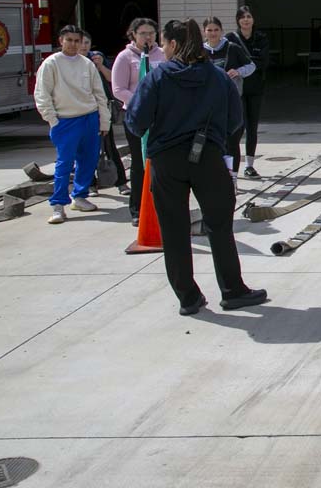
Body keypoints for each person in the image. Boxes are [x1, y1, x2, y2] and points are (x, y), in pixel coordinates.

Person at [126, 18, 267, 316]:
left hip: (166, 162)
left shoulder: (157, 77)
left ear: (174, 44)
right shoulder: (218, 78)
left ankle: (188, 298)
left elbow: (136, 122)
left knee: (174, 230)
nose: (162, 49)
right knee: (219, 226)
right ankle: (232, 290)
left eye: (164, 43)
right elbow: (235, 122)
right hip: (208, 158)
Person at [34, 26, 111, 224]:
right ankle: (58, 204)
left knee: (88, 160)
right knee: (64, 163)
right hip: (65, 120)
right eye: (69, 40)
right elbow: (42, 94)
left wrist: (104, 121)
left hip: (89, 117)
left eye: (77, 41)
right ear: (61, 40)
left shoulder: (87, 64)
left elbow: (99, 94)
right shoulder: (51, 63)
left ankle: (79, 196)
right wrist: (52, 120)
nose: (73, 44)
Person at [111, 17, 166, 225]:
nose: (148, 37)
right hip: (136, 116)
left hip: (160, 116)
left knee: (160, 161)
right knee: (139, 162)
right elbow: (118, 89)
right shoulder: (125, 57)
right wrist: (142, 101)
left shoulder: (161, 55)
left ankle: (160, 204)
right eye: (143, 33)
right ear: (133, 34)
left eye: (151, 32)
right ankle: (137, 208)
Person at [202, 16, 254, 180]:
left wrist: (238, 71)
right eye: (209, 30)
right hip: (209, 105)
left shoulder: (232, 48)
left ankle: (232, 178)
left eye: (216, 30)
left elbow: (251, 66)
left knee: (232, 142)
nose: (213, 33)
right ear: (204, 32)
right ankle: (218, 177)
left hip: (232, 102)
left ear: (222, 31)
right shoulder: (200, 52)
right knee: (214, 143)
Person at [78, 31, 128, 196]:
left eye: (86, 43)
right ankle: (91, 184)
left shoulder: (96, 58)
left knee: (109, 146)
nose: (83, 46)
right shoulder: (72, 62)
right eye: (80, 42)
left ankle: (121, 182)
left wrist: (100, 66)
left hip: (101, 110)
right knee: (85, 149)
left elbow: (111, 80)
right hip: (81, 111)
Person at [225, 6, 270, 178]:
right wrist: (251, 63)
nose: (246, 20)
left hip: (256, 87)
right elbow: (229, 64)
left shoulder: (261, 38)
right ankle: (232, 167)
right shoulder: (230, 39)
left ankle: (250, 165)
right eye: (242, 17)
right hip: (237, 89)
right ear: (237, 20)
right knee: (238, 126)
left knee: (252, 126)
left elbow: (264, 61)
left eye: (249, 16)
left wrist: (244, 65)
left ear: (253, 19)